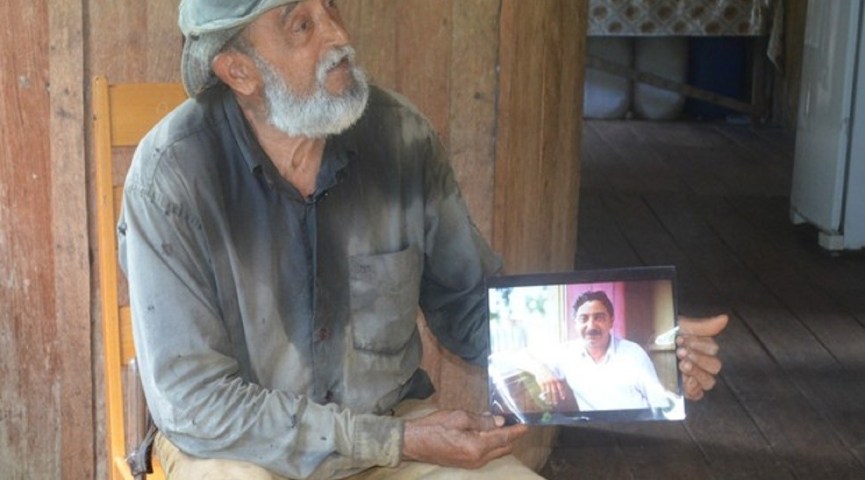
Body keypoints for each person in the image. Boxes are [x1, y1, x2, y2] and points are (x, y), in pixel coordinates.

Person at [118, 0, 728, 478]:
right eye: (301, 25)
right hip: (239, 449)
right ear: (239, 70)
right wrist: (395, 440)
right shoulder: (172, 176)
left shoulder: (401, 139)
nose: (337, 36)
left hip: (391, 433)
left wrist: (657, 347)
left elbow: (471, 310)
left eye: (331, 8)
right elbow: (195, 403)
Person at [529, 291, 677, 414]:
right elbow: (518, 356)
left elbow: (659, 402)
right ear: (575, 323)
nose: (591, 326)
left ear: (611, 321)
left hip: (639, 429)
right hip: (598, 433)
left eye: (599, 318)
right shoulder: (566, 354)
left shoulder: (634, 353)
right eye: (584, 319)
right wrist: (541, 371)